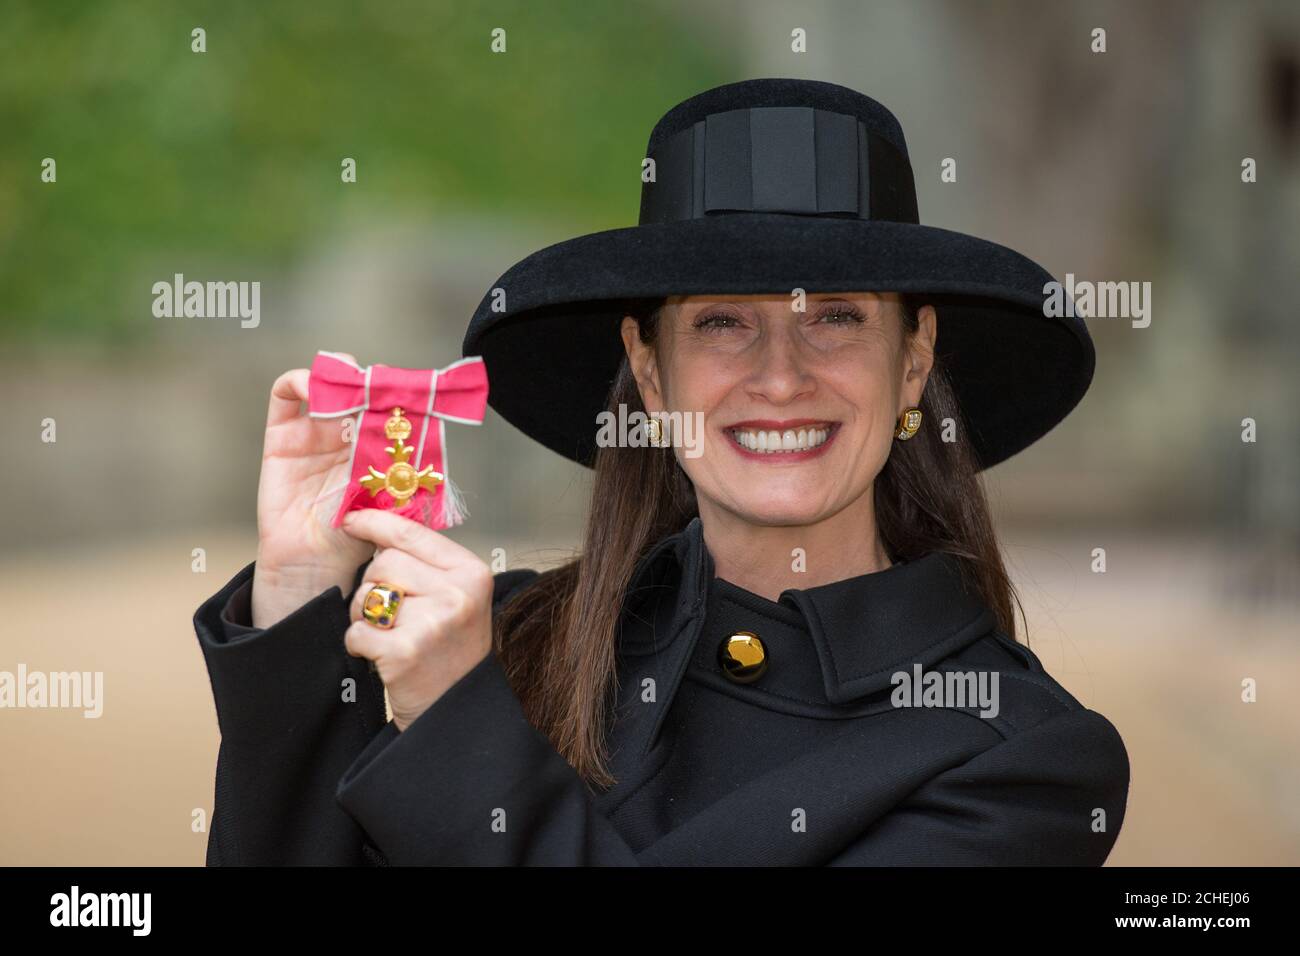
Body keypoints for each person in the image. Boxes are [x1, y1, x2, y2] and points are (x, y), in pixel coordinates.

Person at [193, 78, 1129, 865]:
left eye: (835, 317)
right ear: (649, 368)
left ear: (914, 359)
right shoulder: (511, 645)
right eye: (723, 322)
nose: (780, 377)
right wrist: (302, 592)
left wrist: (458, 737)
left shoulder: (1025, 758)